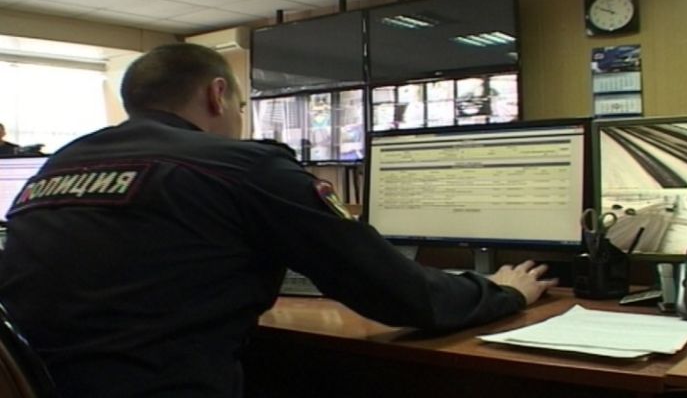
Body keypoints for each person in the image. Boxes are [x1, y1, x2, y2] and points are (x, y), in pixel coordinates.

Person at [0, 43, 557, 398]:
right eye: (242, 107)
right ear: (218, 94)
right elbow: (400, 294)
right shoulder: (241, 165)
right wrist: (503, 291)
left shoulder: (60, 164)